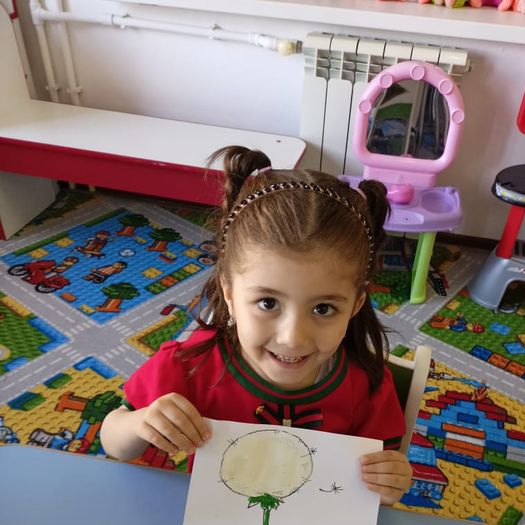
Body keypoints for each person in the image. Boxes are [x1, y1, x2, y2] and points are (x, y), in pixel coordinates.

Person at [100, 146, 412, 504]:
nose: (292, 338)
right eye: (268, 303)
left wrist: (389, 484)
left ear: (355, 305)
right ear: (229, 294)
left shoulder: (368, 385)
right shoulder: (188, 366)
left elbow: (377, 490)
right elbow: (113, 441)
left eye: (323, 308)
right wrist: (139, 424)